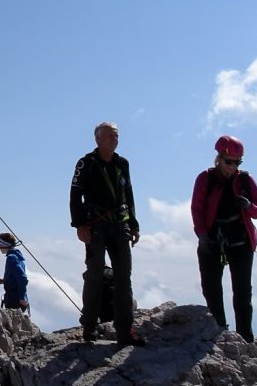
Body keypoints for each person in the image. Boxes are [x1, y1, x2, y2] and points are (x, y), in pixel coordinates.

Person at [70, 122, 145, 346]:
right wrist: (80, 225)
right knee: (95, 273)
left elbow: (128, 194)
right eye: (110, 136)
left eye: (117, 136)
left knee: (124, 276)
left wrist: (134, 224)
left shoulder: (122, 164)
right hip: (96, 224)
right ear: (98, 139)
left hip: (119, 225)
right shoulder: (87, 163)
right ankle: (89, 327)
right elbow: (75, 196)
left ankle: (124, 331)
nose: (115, 139)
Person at [191, 135, 257, 343]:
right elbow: (197, 209)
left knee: (242, 293)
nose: (233, 166)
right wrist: (203, 235)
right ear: (218, 159)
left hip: (241, 242)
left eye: (237, 162)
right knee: (211, 287)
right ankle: (219, 331)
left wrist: (248, 206)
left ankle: (245, 338)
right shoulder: (205, 179)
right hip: (213, 241)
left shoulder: (245, 180)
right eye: (229, 162)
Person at [0, 233, 29, 311]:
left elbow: (22, 278)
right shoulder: (18, 256)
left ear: (5, 245)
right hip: (18, 299)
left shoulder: (11, 258)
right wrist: (1, 281)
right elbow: (16, 278)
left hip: (14, 300)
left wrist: (21, 298)